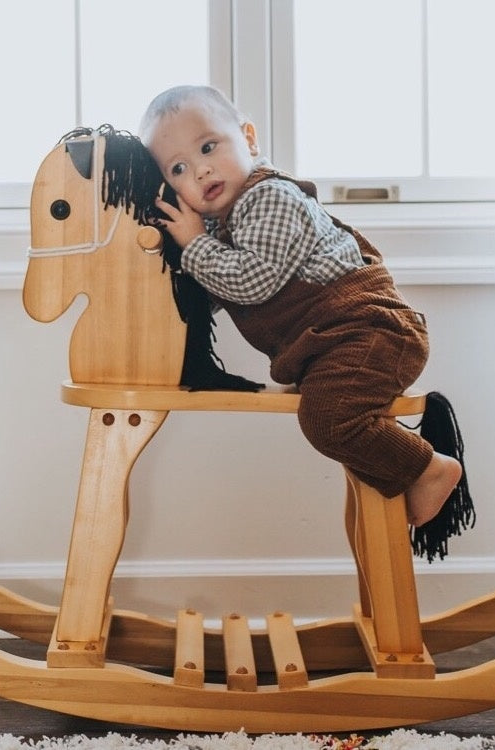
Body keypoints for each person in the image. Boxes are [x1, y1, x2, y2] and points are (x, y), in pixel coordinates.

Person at [139, 84, 462, 527]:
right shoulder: (223, 232)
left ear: (248, 138)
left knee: (328, 420)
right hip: (336, 344)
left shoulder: (269, 198)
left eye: (208, 147)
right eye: (178, 168)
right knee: (329, 419)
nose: (200, 170)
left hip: (372, 333)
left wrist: (193, 244)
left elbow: (252, 280)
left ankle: (428, 468)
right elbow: (216, 290)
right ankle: (404, 477)